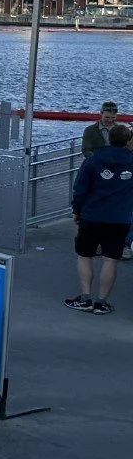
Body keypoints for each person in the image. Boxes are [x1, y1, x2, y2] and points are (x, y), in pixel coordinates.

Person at [67, 123, 133, 315]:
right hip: (119, 219)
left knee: (84, 255)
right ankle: (101, 302)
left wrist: (77, 210)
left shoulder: (93, 160)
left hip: (92, 215)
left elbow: (80, 189)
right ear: (128, 141)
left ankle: (85, 298)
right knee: (111, 260)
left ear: (109, 138)